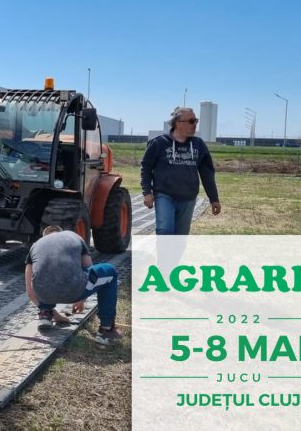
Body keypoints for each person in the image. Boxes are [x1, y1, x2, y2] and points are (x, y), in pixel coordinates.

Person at [24, 226, 122, 345]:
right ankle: (107, 330)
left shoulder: (36, 246)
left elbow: (30, 291)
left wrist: (54, 314)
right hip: (75, 289)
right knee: (110, 272)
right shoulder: (74, 237)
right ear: (61, 232)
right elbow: (90, 270)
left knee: (42, 278)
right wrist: (81, 299)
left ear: (44, 237)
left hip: (44, 293)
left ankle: (45, 313)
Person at [140, 107, 221, 235]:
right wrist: (147, 192)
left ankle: (174, 256)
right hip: (164, 195)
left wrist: (214, 198)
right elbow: (146, 167)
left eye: (196, 121)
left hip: (188, 198)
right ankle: (164, 256)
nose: (194, 125)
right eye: (191, 121)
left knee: (181, 235)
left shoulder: (198, 145)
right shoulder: (159, 143)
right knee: (165, 230)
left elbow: (207, 174)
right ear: (177, 123)